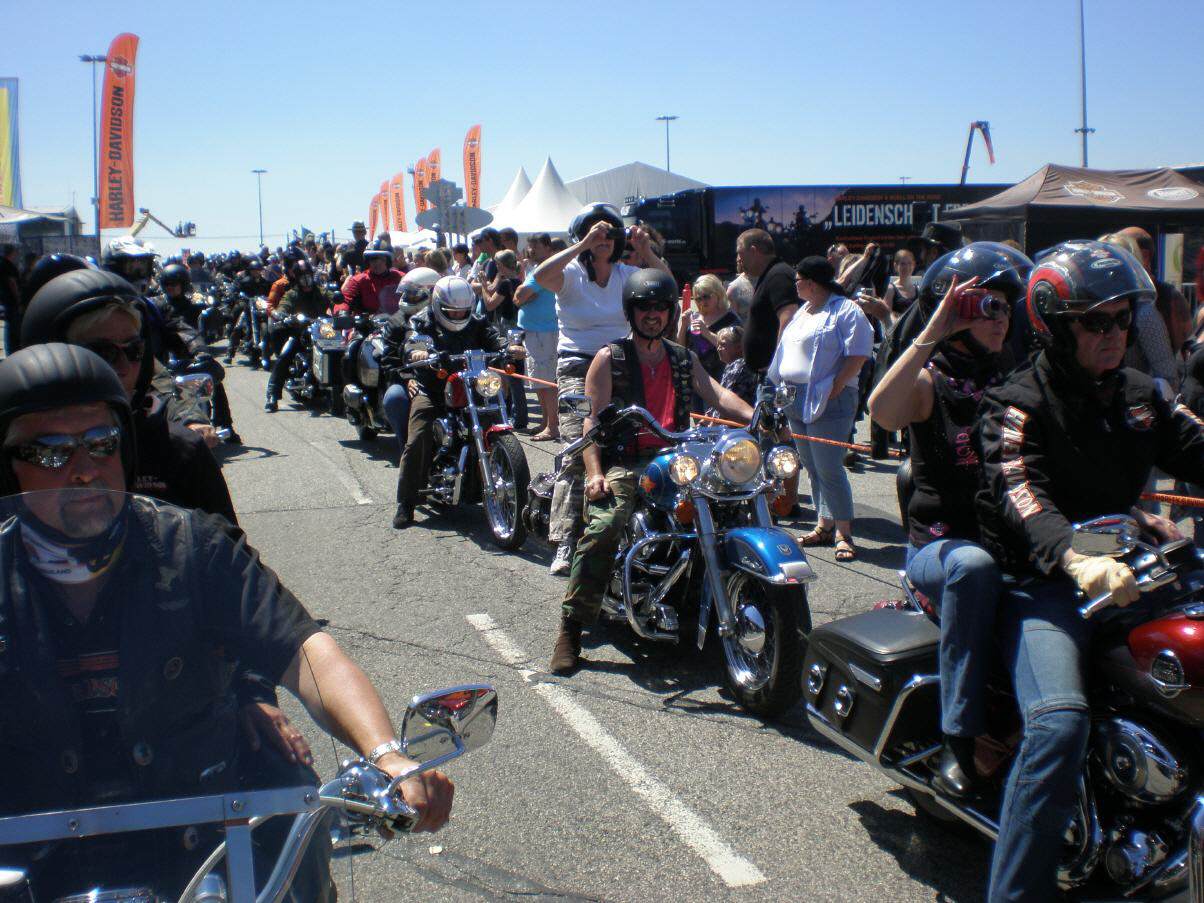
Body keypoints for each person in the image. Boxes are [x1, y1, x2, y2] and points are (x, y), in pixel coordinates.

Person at [0, 342, 454, 899]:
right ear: (8, 465)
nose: (83, 471)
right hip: (30, 856)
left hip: (199, 836)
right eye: (51, 452)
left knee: (300, 836)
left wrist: (386, 754)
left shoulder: (189, 545)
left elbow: (305, 651)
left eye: (101, 443)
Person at [974, 239, 1204, 900]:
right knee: (1058, 724)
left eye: (1123, 317)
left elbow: (1196, 445)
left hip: (1134, 570)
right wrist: (1075, 557)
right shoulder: (1015, 403)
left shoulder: (1140, 394)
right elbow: (1022, 493)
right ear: (1053, 323)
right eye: (1095, 320)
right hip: (1042, 583)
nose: (1115, 332)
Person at [868, 242, 1032, 800]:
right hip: (940, 549)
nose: (1001, 317)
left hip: (1011, 541)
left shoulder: (1015, 380)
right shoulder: (929, 383)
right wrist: (932, 330)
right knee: (973, 566)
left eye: (1007, 306)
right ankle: (961, 735)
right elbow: (882, 412)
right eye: (987, 306)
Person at [549, 269, 754, 673]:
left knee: (735, 502)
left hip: (678, 457)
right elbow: (591, 421)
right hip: (626, 461)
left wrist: (756, 415)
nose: (653, 314)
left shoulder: (682, 357)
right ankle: (571, 628)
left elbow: (716, 393)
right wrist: (595, 473)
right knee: (605, 526)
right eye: (644, 307)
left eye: (661, 307)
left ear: (670, 312)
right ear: (631, 311)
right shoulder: (610, 358)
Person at [21, 269, 238, 526]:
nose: (124, 366)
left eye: (134, 350)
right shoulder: (17, 446)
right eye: (103, 352)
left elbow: (229, 545)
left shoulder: (178, 450)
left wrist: (191, 418)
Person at [534, 203, 671, 576]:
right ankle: (566, 539)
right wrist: (581, 246)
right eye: (596, 232)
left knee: (637, 440)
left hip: (620, 363)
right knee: (577, 448)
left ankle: (635, 530)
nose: (604, 238)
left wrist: (646, 252)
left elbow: (666, 285)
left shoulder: (627, 274)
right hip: (577, 366)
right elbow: (540, 276)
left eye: (610, 232)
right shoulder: (570, 275)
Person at [391, 276, 521, 528]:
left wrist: (507, 346)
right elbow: (411, 342)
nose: (459, 314)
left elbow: (492, 336)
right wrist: (418, 352)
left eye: (463, 310)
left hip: (472, 386)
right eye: (453, 311)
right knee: (418, 437)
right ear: (439, 306)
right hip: (433, 389)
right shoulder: (422, 320)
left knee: (494, 416)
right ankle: (406, 502)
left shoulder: (476, 321)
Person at [768, 257, 873, 561]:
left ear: (812, 282)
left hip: (829, 397)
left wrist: (836, 387)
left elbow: (859, 353)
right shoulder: (804, 310)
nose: (795, 285)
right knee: (811, 465)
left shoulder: (845, 310)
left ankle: (844, 533)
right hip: (796, 397)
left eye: (798, 280)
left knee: (829, 466)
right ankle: (824, 524)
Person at [378, 267, 442, 460]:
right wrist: (407, 379)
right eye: (406, 293)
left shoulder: (444, 317)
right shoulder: (396, 323)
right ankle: (407, 449)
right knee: (394, 398)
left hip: (441, 375)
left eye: (413, 294)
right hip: (407, 378)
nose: (408, 298)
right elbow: (389, 361)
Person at [264, 260, 333, 412]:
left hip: (323, 332)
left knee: (340, 351)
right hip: (300, 333)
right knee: (285, 355)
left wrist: (342, 306)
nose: (306, 278)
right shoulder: (292, 294)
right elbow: (283, 306)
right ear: (296, 277)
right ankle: (272, 395)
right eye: (302, 275)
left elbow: (335, 300)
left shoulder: (321, 292)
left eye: (308, 274)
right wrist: (282, 314)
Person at [514, 234, 562, 441]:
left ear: (548, 248)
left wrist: (524, 296)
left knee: (546, 381)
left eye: (536, 246)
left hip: (545, 332)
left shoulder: (546, 269)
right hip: (536, 332)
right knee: (538, 381)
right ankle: (545, 422)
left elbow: (519, 296)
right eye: (530, 246)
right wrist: (524, 295)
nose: (531, 250)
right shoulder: (535, 268)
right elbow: (520, 296)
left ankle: (553, 426)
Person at [738, 229, 798, 373]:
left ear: (753, 251)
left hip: (775, 375)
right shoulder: (770, 275)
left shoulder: (778, 275)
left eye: (740, 253)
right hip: (766, 372)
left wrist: (777, 362)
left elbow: (789, 318)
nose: (739, 259)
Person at [676, 273, 741, 381]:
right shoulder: (694, 317)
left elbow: (735, 350)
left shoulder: (730, 318)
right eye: (698, 299)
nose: (702, 302)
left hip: (721, 377)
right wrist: (683, 326)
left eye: (706, 296)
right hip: (695, 378)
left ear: (718, 294)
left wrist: (706, 333)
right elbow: (681, 348)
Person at [337, 238, 402, 316]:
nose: (377, 263)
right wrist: (342, 312)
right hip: (369, 322)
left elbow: (413, 287)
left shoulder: (400, 277)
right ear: (368, 262)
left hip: (398, 321)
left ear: (388, 261)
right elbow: (345, 300)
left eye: (382, 259)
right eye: (373, 259)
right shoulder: (358, 280)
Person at [711, 325, 759, 412]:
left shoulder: (739, 364)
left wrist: (710, 418)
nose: (718, 349)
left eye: (723, 344)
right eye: (718, 345)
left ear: (739, 347)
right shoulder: (736, 364)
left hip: (737, 416)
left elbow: (726, 400)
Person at [881, 248, 919, 326]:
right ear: (895, 266)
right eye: (903, 264)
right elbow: (886, 314)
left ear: (914, 265)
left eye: (909, 263)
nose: (906, 267)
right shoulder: (890, 289)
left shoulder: (918, 289)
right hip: (897, 329)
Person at [0, 243, 21, 354]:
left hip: (5, 298)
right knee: (13, 324)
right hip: (10, 299)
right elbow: (12, 282)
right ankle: (13, 348)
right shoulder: (8, 265)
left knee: (9, 323)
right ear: (12, 253)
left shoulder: (2, 263)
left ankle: (10, 348)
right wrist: (17, 298)